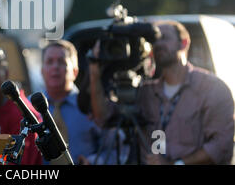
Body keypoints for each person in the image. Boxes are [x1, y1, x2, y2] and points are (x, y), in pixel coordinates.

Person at [89, 20, 234, 164]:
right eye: (154, 39)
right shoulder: (146, 92)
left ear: (183, 43)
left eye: (164, 37)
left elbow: (221, 146)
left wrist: (176, 164)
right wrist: (95, 73)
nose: (158, 44)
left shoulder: (212, 88)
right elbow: (104, 117)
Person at [41, 40, 121, 165]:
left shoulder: (93, 106)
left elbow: (116, 151)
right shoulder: (28, 108)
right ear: (42, 70)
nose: (55, 67)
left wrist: (94, 161)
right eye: (49, 61)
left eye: (62, 62)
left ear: (75, 71)